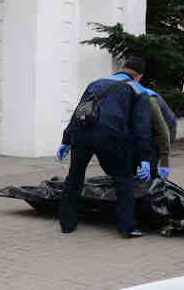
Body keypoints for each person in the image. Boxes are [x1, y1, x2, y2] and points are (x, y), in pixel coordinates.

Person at [58, 56, 152, 238]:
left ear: (122, 68)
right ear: (139, 76)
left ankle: (67, 224)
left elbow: (80, 110)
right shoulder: (139, 91)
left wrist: (66, 140)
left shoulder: (96, 83)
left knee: (75, 176)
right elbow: (142, 128)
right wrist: (145, 158)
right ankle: (126, 227)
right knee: (123, 178)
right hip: (111, 137)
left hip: (81, 134)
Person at [142, 87, 177, 179]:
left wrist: (164, 161)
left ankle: (154, 185)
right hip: (148, 128)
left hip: (165, 128)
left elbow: (162, 130)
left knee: (151, 163)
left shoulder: (149, 100)